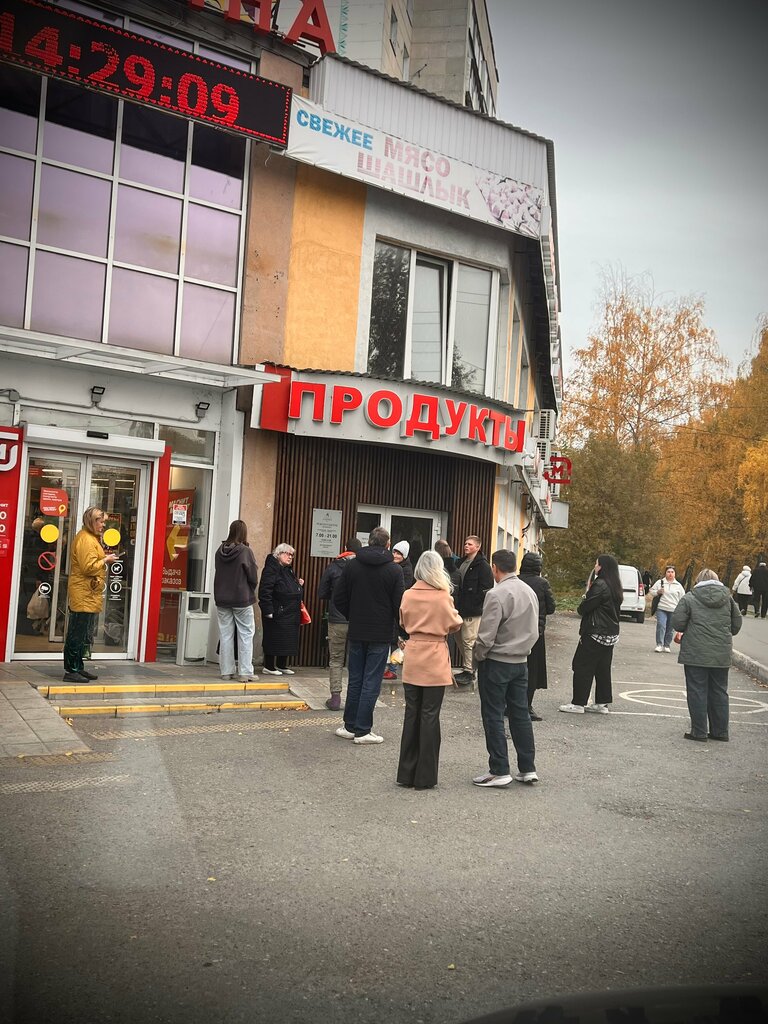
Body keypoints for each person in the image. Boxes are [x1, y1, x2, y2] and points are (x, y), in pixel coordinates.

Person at [471, 549, 540, 787]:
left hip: (497, 661)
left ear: (495, 568)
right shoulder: (529, 591)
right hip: (521, 661)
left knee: (493, 714)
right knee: (520, 714)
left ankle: (499, 769)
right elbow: (535, 629)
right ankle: (527, 767)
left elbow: (486, 634)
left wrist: (478, 656)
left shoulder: (496, 594)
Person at [396, 550, 462, 789]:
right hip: (434, 655)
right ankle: (425, 776)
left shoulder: (408, 594)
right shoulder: (443, 596)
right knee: (430, 715)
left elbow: (403, 622)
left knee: (411, 713)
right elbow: (455, 623)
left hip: (414, 653)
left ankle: (406, 774)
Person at [332, 526, 404, 744]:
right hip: (380, 633)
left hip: (357, 629)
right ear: (388, 544)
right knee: (371, 681)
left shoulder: (353, 565)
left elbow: (339, 597)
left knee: (355, 679)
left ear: (369, 541)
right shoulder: (394, 570)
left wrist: (352, 615)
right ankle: (363, 730)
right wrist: (400, 631)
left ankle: (350, 726)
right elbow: (399, 605)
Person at [671, 568, 742, 742]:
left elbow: (678, 623)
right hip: (721, 653)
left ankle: (699, 731)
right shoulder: (728, 599)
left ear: (698, 581)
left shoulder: (690, 598)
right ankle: (720, 731)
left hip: (695, 653)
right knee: (719, 691)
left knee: (697, 690)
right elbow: (736, 625)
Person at [559, 553, 622, 714]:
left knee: (582, 666)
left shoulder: (600, 584)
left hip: (595, 632)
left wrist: (584, 600)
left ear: (602, 567)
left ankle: (578, 703)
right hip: (610, 633)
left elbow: (585, 607)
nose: (595, 566)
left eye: (597, 564)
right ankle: (602, 702)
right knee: (603, 668)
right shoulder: (615, 585)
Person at [62, 506, 118, 682]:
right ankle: (71, 670)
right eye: (100, 521)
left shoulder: (89, 537)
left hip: (87, 592)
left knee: (82, 633)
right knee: (77, 633)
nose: (103, 525)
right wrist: (106, 559)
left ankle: (78, 667)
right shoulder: (86, 539)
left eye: (103, 522)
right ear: (91, 521)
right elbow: (88, 567)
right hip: (83, 593)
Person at [317, 537, 362, 710]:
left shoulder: (334, 567)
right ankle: (354, 698)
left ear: (344, 548)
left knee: (336, 659)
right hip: (357, 621)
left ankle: (335, 698)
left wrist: (335, 596)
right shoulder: (363, 568)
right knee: (356, 660)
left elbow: (322, 592)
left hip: (337, 620)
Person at [213, 520, 259, 683]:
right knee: (245, 634)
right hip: (241, 598)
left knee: (225, 634)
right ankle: (245, 672)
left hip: (222, 598)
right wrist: (249, 589)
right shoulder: (245, 551)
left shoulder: (219, 551)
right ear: (243, 533)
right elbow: (253, 576)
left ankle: (226, 671)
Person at [518, 552, 556, 721]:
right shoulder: (542, 584)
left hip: (515, 631)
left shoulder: (516, 581)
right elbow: (551, 607)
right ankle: (526, 706)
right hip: (535, 632)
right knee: (532, 671)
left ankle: (510, 704)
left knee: (514, 667)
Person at [258, 543, 304, 676]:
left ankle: (281, 664)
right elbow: (265, 590)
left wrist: (299, 585)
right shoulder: (271, 569)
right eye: (287, 554)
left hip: (289, 611)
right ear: (278, 554)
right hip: (277, 611)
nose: (290, 557)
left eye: (291, 555)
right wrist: (268, 610)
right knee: (273, 638)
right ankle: (269, 666)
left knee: (286, 639)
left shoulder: (288, 570)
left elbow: (287, 586)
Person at [454, 535, 494, 687]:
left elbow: (486, 589)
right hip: (459, 609)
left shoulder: (483, 566)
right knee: (459, 638)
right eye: (465, 543)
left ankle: (469, 671)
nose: (466, 546)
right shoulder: (460, 562)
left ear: (478, 547)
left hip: (472, 610)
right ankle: (469, 667)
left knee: (469, 640)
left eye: (470, 544)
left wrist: (474, 603)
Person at [385, 540, 414, 680]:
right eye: (394, 552)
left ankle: (393, 669)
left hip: (400, 609)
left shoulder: (406, 570)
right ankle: (390, 668)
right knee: (393, 639)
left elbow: (402, 590)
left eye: (399, 554)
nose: (395, 555)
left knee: (398, 640)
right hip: (393, 609)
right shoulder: (393, 567)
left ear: (405, 555)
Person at [649, 565, 686, 652]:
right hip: (662, 608)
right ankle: (659, 644)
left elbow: (683, 598)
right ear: (665, 573)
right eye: (668, 572)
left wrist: (681, 609)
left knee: (670, 628)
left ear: (675, 574)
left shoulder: (678, 585)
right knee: (661, 625)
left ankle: (667, 645)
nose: (670, 574)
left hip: (673, 609)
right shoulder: (660, 582)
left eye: (672, 572)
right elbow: (651, 591)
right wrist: (657, 592)